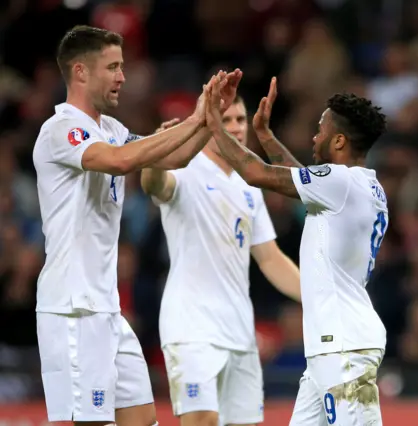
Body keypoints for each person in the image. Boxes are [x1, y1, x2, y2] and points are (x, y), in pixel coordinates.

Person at [33, 25, 233, 426]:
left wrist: (208, 120)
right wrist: (192, 120)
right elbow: (120, 161)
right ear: (81, 72)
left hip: (106, 308)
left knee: (142, 420)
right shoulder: (61, 130)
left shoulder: (112, 129)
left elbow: (170, 159)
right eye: (113, 67)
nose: (123, 76)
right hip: (73, 308)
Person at [204, 74, 389, 426]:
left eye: (321, 129)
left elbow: (257, 173)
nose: (314, 136)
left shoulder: (341, 183)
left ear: (338, 140)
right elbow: (300, 178)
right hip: (329, 348)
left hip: (344, 347)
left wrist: (213, 122)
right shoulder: (356, 186)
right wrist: (266, 136)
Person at [140, 81, 301, 426]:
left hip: (239, 331)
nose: (236, 128)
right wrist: (155, 155)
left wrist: (319, 297)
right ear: (206, 124)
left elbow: (270, 258)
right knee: (202, 421)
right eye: (224, 120)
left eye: (240, 119)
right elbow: (155, 185)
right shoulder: (185, 168)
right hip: (192, 326)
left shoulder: (249, 184)